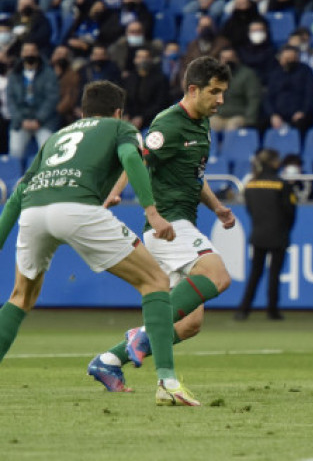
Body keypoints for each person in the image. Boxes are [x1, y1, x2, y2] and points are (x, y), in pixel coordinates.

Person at [0, 80, 199, 406]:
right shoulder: (121, 128)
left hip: (34, 210)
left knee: (20, 297)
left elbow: (19, 192)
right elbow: (131, 159)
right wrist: (153, 211)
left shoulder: (57, 136)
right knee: (155, 281)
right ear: (118, 112)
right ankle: (167, 381)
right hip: (77, 208)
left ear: (82, 111)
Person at [88, 57, 236, 392]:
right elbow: (137, 159)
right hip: (168, 226)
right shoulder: (168, 124)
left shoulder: (202, 124)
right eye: (215, 92)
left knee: (189, 324)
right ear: (193, 89)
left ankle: (109, 360)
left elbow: (194, 175)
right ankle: (140, 336)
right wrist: (115, 192)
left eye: (223, 92)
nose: (221, 99)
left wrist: (218, 208)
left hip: (182, 224)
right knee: (217, 275)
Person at [234, 149, 298, 321]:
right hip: (278, 234)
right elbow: (290, 212)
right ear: (274, 162)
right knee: (274, 274)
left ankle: (243, 310)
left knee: (255, 273)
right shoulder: (282, 185)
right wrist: (285, 229)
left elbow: (250, 209)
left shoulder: (251, 184)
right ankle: (272, 310)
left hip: (258, 233)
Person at [6, 42, 60, 160]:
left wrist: (39, 119)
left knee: (48, 151)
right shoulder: (14, 75)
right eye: (26, 51)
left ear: (37, 53)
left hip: (44, 121)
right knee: (15, 151)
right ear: (21, 54)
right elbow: (10, 100)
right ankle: (16, 177)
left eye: (32, 51)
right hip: (20, 121)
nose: (29, 53)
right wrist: (21, 120)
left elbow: (52, 98)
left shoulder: (48, 73)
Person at [265, 45, 313, 137]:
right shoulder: (275, 73)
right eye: (286, 58)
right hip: (278, 115)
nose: (289, 61)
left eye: (292, 58)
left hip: (299, 115)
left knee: (301, 124)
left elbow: (311, 94)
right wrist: (273, 114)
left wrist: (303, 112)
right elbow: (268, 97)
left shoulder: (306, 71)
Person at [213, 47, 261, 132]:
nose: (227, 61)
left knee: (232, 129)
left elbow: (253, 99)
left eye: (230, 58)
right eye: (224, 58)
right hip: (218, 115)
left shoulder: (247, 74)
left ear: (237, 58)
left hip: (238, 115)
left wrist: (249, 120)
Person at [123, 47, 170, 130]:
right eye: (139, 57)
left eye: (145, 57)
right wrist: (126, 114)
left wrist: (142, 117)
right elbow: (125, 100)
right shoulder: (130, 78)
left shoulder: (160, 79)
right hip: (130, 120)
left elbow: (160, 104)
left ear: (151, 59)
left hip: (152, 121)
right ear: (134, 60)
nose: (142, 60)